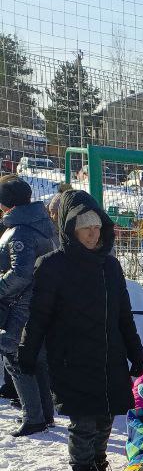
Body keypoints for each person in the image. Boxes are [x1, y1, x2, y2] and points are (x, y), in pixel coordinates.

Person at [20, 189, 143, 471]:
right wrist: (27, 350)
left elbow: (123, 314)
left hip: (109, 355)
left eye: (96, 226)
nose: (92, 233)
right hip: (72, 358)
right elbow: (39, 315)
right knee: (84, 421)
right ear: (69, 229)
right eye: (84, 226)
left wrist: (135, 351)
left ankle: (98, 467)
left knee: (105, 418)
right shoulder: (52, 266)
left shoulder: (110, 266)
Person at [0, 175, 58, 435]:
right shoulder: (40, 224)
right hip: (39, 302)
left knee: (14, 357)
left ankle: (33, 417)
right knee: (36, 358)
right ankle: (44, 414)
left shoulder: (20, 230)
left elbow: (20, 274)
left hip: (20, 305)